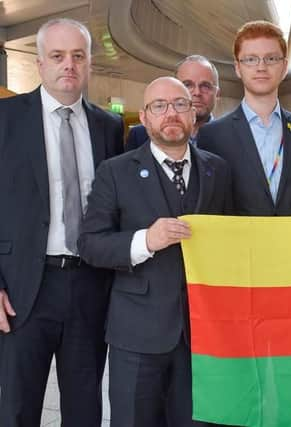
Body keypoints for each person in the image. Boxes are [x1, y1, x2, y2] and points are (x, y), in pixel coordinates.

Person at [78, 76, 232, 426]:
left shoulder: (217, 170)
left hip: (203, 336)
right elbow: (90, 244)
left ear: (194, 114)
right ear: (144, 119)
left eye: (180, 104)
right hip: (136, 335)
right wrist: (145, 240)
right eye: (158, 106)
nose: (171, 113)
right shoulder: (115, 172)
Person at [0, 18, 124, 426]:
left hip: (90, 285)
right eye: (57, 56)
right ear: (39, 63)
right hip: (21, 290)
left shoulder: (108, 126)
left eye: (77, 56)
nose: (67, 65)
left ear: (89, 63)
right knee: (17, 407)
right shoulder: (6, 119)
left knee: (85, 409)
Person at [198, 20, 291, 215]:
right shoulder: (213, 135)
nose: (261, 67)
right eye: (251, 59)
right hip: (239, 242)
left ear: (284, 67)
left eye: (271, 59)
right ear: (238, 67)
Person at [125, 54, 220, 150]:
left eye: (205, 86)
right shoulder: (139, 136)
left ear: (217, 94)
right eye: (187, 85)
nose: (197, 92)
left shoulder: (231, 136)